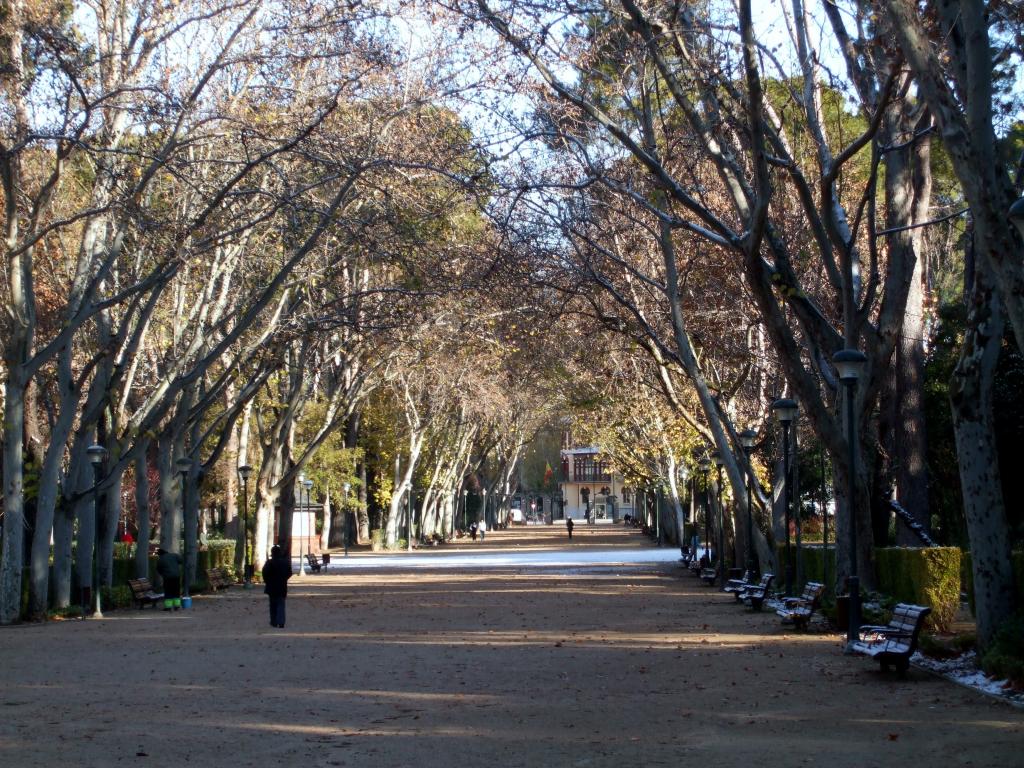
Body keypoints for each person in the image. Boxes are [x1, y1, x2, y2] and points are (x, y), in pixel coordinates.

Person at [262, 545, 292, 628]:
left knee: (273, 604)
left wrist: (267, 581)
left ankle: (274, 621)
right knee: (281, 604)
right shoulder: (285, 562)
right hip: (282, 586)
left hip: (271, 586)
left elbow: (264, 573)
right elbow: (289, 573)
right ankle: (281, 621)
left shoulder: (269, 563)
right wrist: (284, 578)